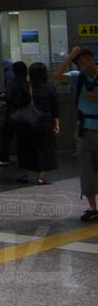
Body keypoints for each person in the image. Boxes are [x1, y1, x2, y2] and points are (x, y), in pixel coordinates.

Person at [56, 46, 98, 221]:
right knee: (86, 169)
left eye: (86, 60)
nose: (84, 65)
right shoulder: (77, 77)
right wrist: (69, 57)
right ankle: (93, 207)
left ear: (92, 59)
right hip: (84, 129)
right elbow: (58, 77)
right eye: (80, 63)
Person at [15, 62, 59, 185]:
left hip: (27, 122)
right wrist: (56, 123)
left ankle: (23, 174)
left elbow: (19, 104)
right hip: (45, 123)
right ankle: (41, 177)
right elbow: (55, 107)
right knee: (45, 149)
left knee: (25, 148)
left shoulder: (26, 87)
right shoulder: (50, 88)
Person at [0, 61, 30, 166]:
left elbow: (7, 97)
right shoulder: (27, 83)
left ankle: (4, 158)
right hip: (25, 113)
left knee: (6, 136)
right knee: (23, 137)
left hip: (13, 113)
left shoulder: (11, 82)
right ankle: (25, 157)